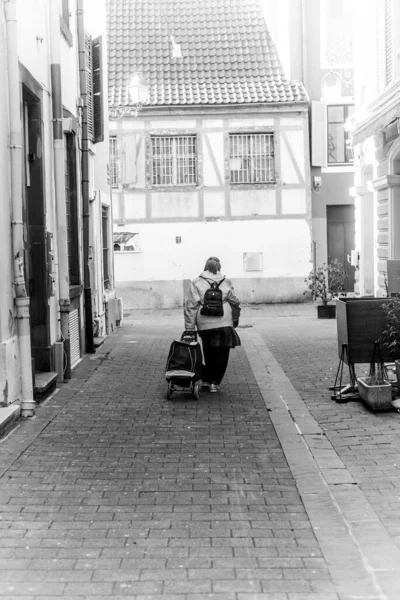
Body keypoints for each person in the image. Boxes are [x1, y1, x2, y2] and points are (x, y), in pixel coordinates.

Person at [184, 257, 241, 393]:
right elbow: (235, 301)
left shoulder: (196, 282)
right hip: (224, 323)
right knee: (222, 353)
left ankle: (207, 379)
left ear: (205, 267)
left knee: (208, 351)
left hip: (204, 323)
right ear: (219, 267)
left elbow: (191, 306)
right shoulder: (226, 282)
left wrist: (190, 328)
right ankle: (214, 383)